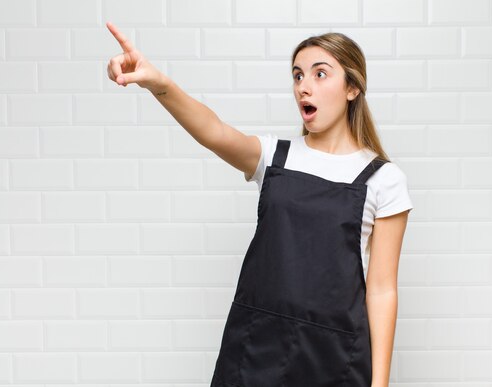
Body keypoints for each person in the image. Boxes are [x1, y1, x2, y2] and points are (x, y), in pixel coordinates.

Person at [106, 21, 412, 387]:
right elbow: (213, 131)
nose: (304, 86)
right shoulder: (275, 157)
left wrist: (380, 384)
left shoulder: (382, 178)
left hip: (334, 356)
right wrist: (160, 85)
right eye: (298, 75)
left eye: (320, 74)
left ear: (352, 87)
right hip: (257, 346)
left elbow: (381, 290)